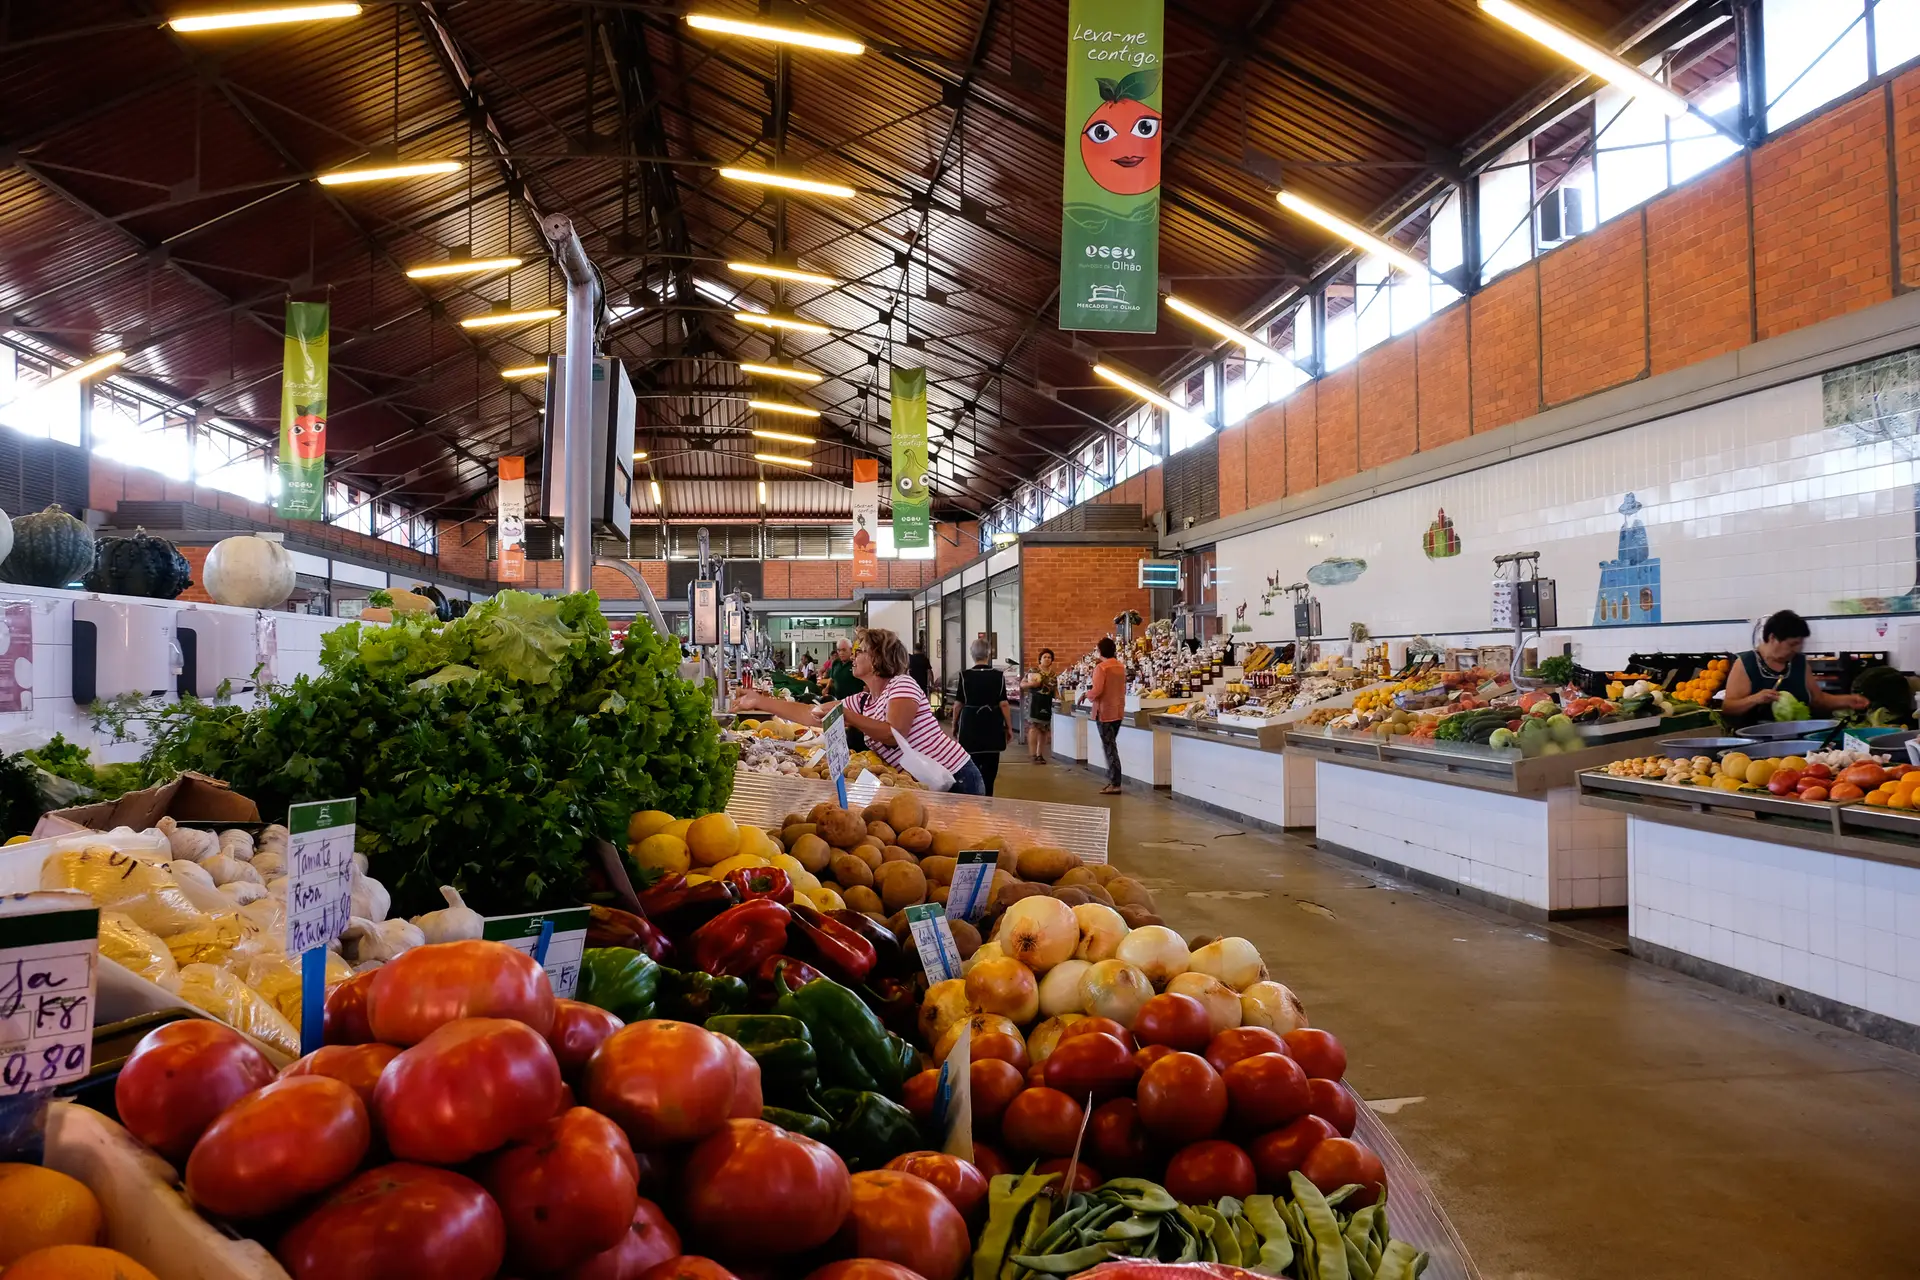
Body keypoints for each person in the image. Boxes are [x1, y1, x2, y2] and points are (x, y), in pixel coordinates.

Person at [733, 628, 986, 794]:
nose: (853, 656)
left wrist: (846, 716)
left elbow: (893, 733)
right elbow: (811, 714)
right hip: (926, 782)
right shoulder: (863, 701)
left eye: (859, 651)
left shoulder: (902, 684)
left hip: (956, 777)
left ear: (877, 658)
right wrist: (759, 702)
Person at [1722, 609, 1867, 728]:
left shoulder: (1799, 663)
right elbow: (1729, 707)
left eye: (1800, 645)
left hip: (1799, 737)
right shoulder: (1746, 664)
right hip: (1757, 739)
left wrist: (1848, 701)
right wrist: (1755, 699)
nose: (1796, 649)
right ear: (1772, 638)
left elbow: (1818, 700)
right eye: (1792, 644)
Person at [956, 638, 1013, 794]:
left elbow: (958, 704)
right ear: (989, 654)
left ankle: (973, 799)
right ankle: (988, 798)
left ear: (972, 654)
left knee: (971, 766)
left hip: (970, 724)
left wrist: (955, 725)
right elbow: (1004, 704)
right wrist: (1009, 727)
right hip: (992, 725)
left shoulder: (964, 676)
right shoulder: (997, 675)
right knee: (990, 768)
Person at [1090, 636, 1127, 796]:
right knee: (1111, 745)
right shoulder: (1120, 667)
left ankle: (1115, 783)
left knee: (1109, 747)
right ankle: (1113, 780)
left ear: (1100, 651)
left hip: (1104, 712)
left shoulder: (1101, 668)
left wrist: (1087, 694)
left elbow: (1097, 690)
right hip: (1118, 710)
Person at [1023, 648, 1058, 765]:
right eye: (1045, 657)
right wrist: (1031, 684)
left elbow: (1055, 689)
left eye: (1049, 657)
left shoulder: (1053, 674)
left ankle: (1040, 754)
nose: (1047, 659)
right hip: (1034, 703)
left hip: (1047, 703)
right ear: (1040, 659)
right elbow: (1022, 684)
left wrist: (1059, 698)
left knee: (1044, 730)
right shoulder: (1034, 671)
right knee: (1033, 727)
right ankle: (1032, 754)